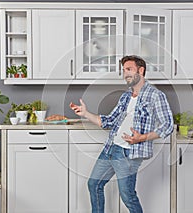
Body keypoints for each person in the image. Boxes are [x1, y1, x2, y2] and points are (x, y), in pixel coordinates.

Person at [68, 55, 174, 213]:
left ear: (141, 70)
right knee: (94, 184)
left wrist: (143, 137)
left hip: (128, 153)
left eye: (129, 69)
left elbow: (168, 125)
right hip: (111, 148)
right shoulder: (126, 96)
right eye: (124, 70)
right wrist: (85, 114)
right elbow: (109, 121)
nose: (125, 74)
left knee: (128, 197)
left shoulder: (155, 95)